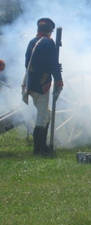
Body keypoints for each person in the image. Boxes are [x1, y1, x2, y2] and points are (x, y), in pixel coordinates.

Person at [24, 18, 63, 155]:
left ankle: (42, 146)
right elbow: (53, 64)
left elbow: (27, 63)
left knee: (46, 114)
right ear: (49, 31)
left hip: (31, 84)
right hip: (42, 84)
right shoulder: (48, 42)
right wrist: (58, 80)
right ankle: (39, 149)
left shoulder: (32, 42)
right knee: (42, 116)